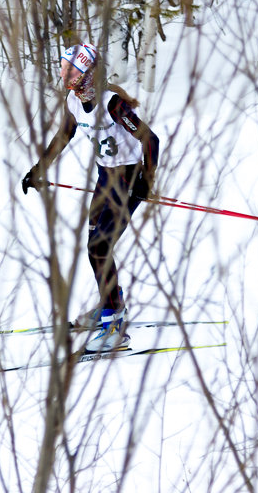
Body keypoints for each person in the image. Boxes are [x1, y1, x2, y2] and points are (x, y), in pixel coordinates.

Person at [22, 43, 159, 352]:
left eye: (71, 70)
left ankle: (114, 323)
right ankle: (110, 304)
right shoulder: (73, 101)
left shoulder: (112, 104)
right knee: (95, 248)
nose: (64, 75)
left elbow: (150, 139)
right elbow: (63, 136)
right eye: (63, 69)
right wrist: (37, 169)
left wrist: (146, 183)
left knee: (100, 247)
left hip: (127, 179)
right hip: (104, 179)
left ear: (87, 75)